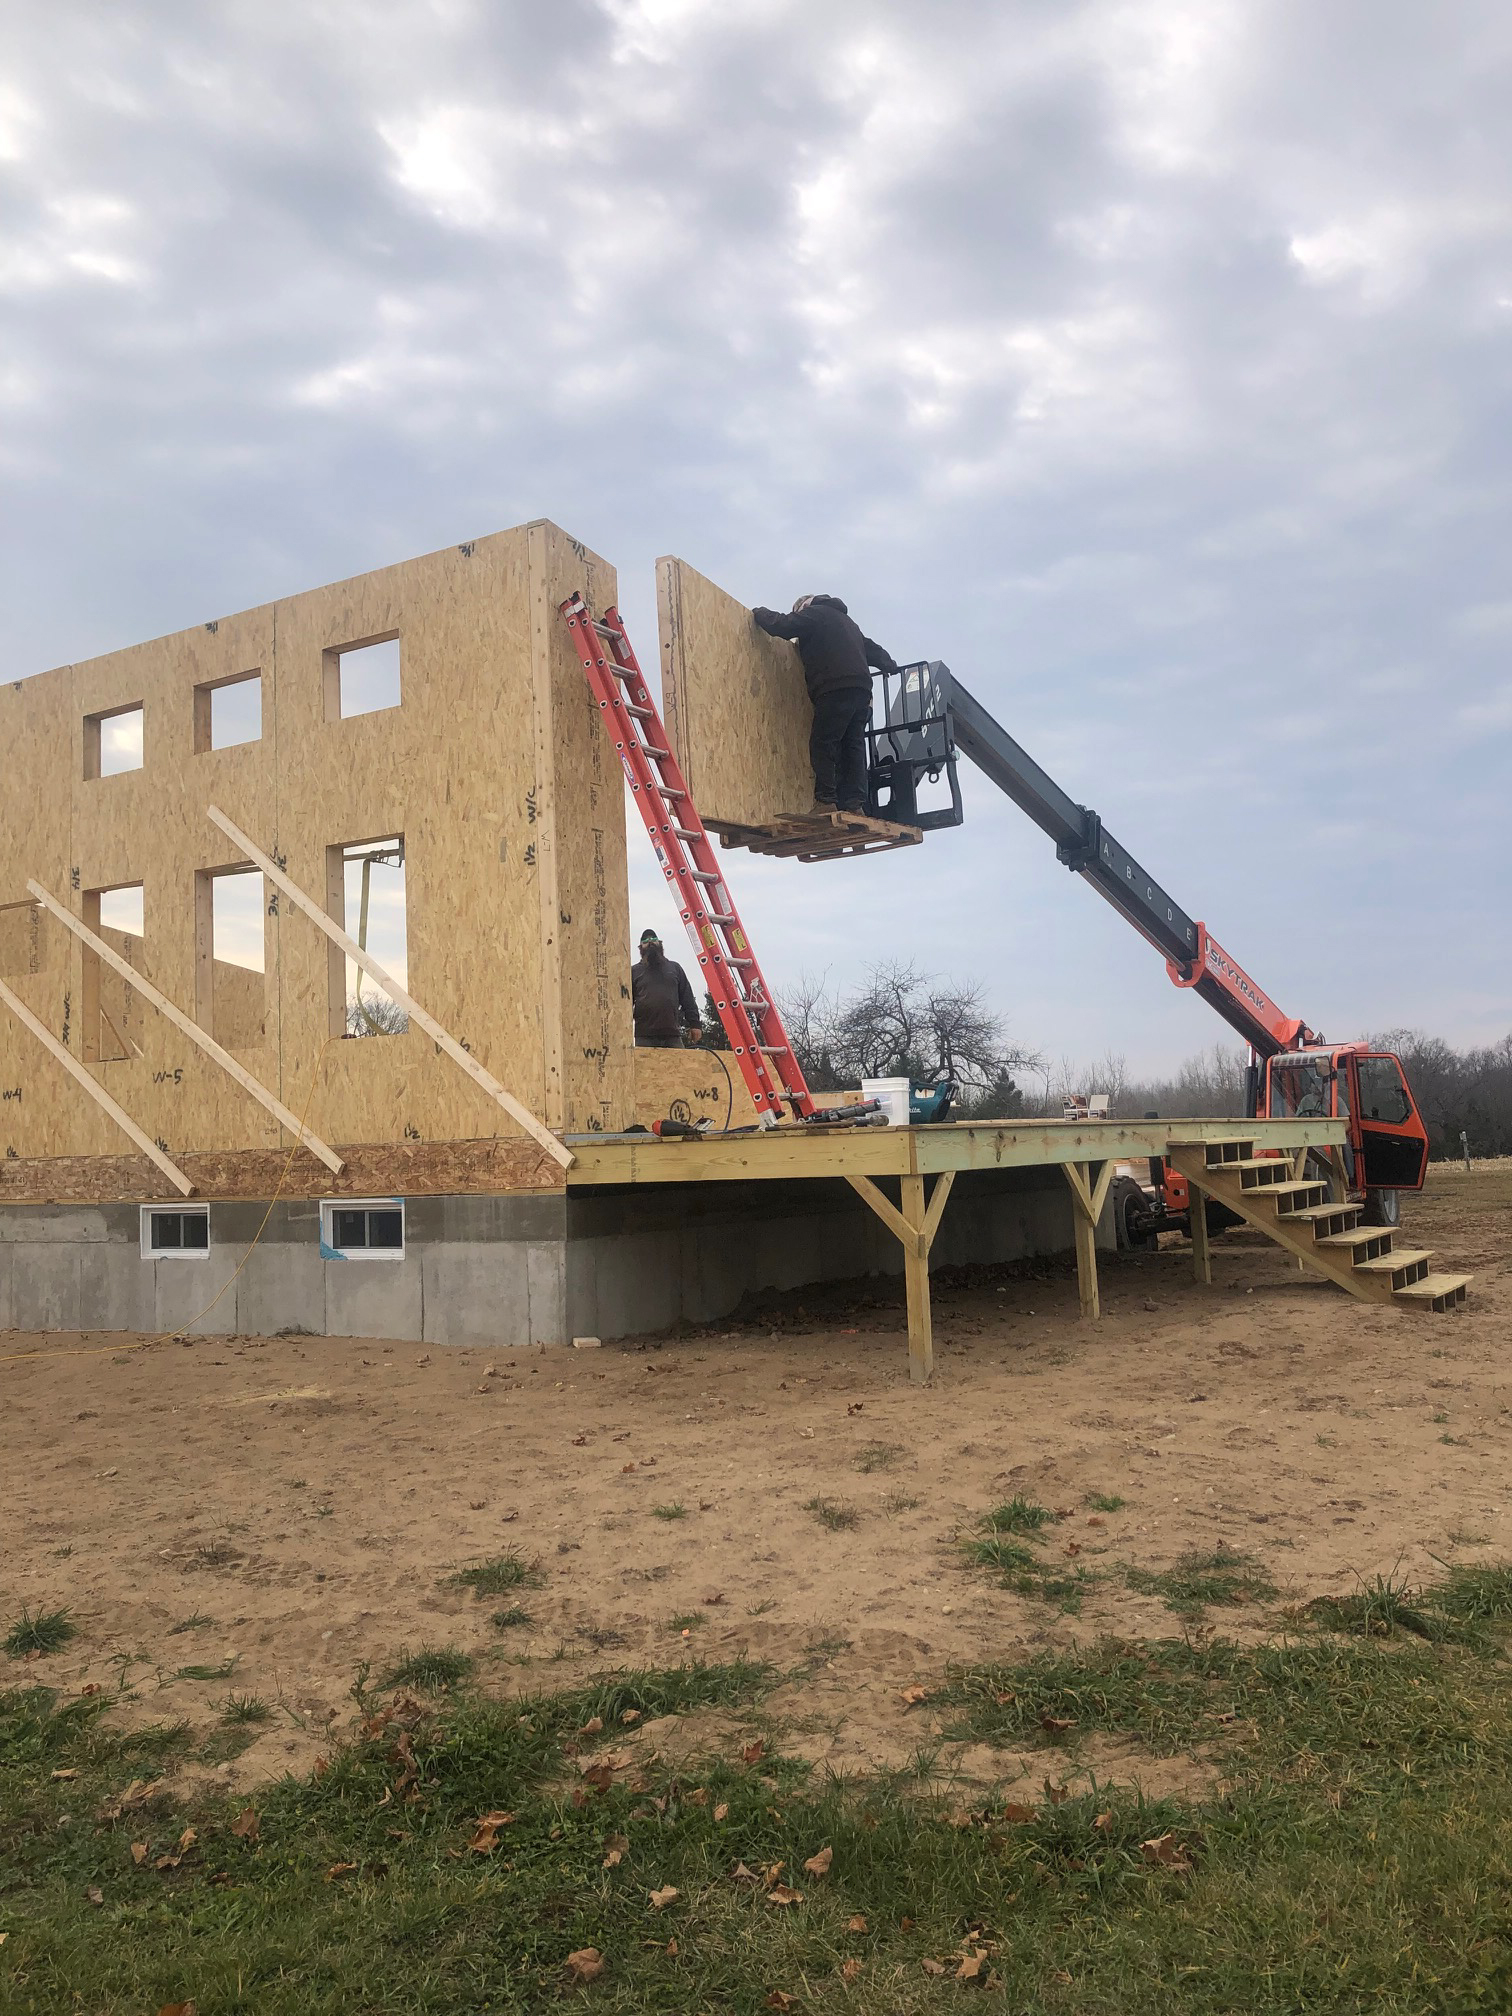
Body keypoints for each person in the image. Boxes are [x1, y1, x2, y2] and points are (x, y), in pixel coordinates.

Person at [751, 594, 898, 816]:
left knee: (824, 743)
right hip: (862, 692)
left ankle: (826, 801)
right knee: (853, 745)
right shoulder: (848, 623)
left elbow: (782, 625)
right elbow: (873, 650)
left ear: (803, 607)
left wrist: (759, 612)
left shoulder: (814, 615)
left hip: (834, 687)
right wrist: (889, 665)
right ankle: (855, 803)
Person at [630, 929, 703, 1048]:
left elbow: (687, 998)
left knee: (680, 1066)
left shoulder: (675, 968)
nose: (650, 943)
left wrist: (695, 1024)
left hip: (672, 1035)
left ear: (660, 944)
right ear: (640, 948)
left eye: (653, 940)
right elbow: (625, 1004)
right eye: (645, 941)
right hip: (644, 1036)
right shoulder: (634, 971)